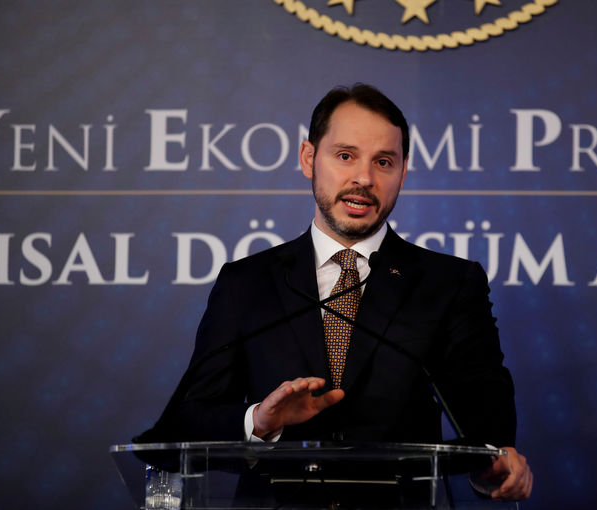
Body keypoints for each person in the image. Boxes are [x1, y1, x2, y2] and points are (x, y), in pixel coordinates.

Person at [136, 84, 533, 500]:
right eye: (345, 156)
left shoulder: (450, 285)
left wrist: (492, 467)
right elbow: (175, 430)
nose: (364, 178)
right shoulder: (247, 283)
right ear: (309, 158)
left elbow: (490, 433)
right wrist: (260, 421)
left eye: (384, 162)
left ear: (403, 170)